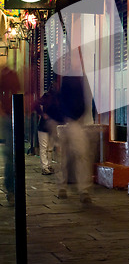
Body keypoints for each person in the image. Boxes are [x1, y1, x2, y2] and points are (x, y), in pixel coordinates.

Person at [56, 75, 92, 204]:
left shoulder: (78, 79)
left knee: (74, 156)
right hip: (70, 122)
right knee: (73, 156)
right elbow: (63, 100)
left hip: (73, 121)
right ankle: (80, 189)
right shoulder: (68, 79)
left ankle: (74, 188)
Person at [0, 66, 20, 205]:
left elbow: (18, 92)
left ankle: (12, 189)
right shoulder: (7, 75)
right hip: (8, 116)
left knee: (12, 154)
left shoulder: (12, 74)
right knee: (10, 154)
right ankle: (11, 189)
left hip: (14, 115)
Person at [35, 82, 63, 175]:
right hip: (49, 125)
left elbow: (36, 104)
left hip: (44, 125)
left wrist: (42, 114)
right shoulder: (57, 98)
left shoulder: (47, 96)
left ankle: (46, 166)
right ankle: (47, 166)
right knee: (48, 147)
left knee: (45, 147)